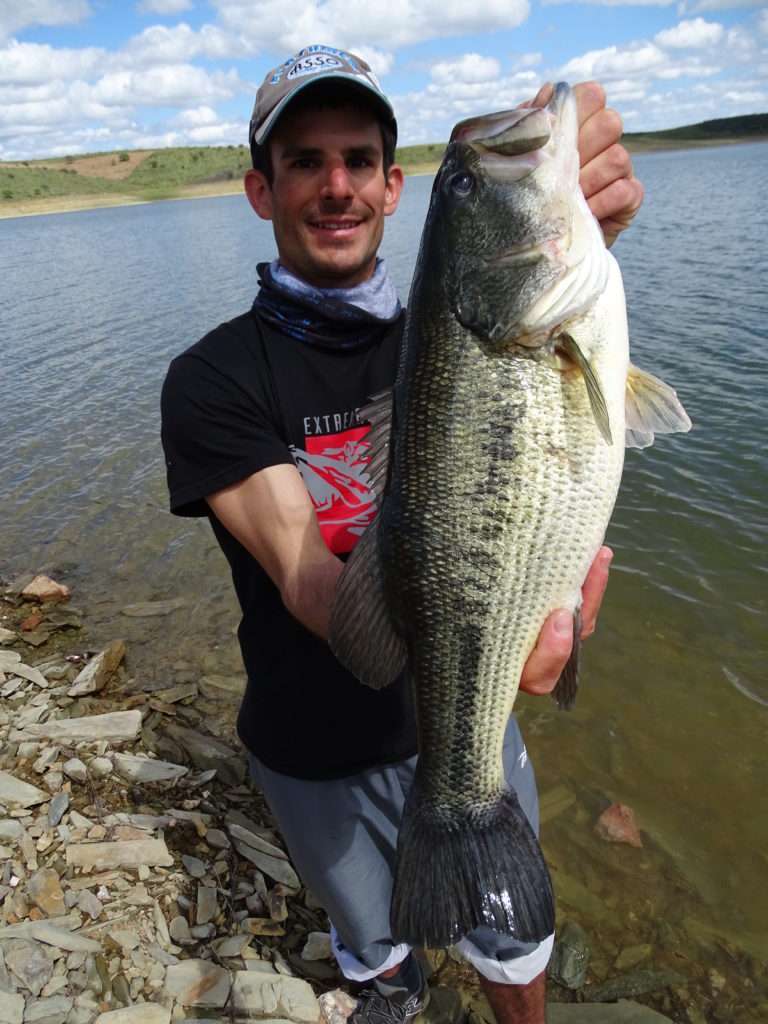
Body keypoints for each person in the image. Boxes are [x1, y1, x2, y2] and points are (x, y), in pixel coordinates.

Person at [161, 45, 642, 1024]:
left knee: (513, 931)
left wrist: (586, 235)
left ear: (393, 185)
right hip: (311, 745)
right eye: (304, 161)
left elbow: (531, 350)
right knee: (370, 932)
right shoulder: (210, 380)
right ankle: (391, 987)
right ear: (262, 188)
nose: (334, 186)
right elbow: (310, 580)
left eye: (357, 159)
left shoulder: (448, 322)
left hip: (465, 721)